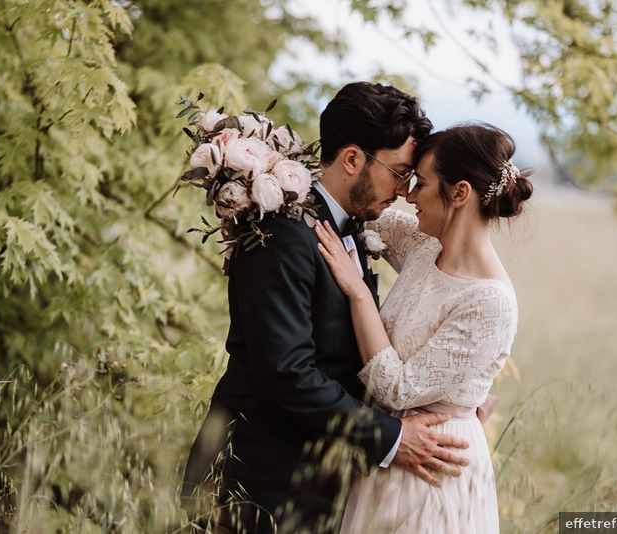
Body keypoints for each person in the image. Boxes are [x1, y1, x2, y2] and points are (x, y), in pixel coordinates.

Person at [181, 82, 472, 533]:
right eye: (398, 172)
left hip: (311, 482)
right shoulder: (280, 232)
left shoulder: (346, 226)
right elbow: (287, 371)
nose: (403, 190)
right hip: (253, 484)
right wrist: (392, 438)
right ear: (353, 159)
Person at [313, 122, 533, 533]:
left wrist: (359, 293)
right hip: (388, 455)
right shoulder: (423, 246)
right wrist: (260, 168)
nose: (408, 195)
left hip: (432, 469)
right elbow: (353, 203)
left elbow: (397, 388)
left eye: (422, 183)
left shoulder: (490, 302)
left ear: (460, 193)